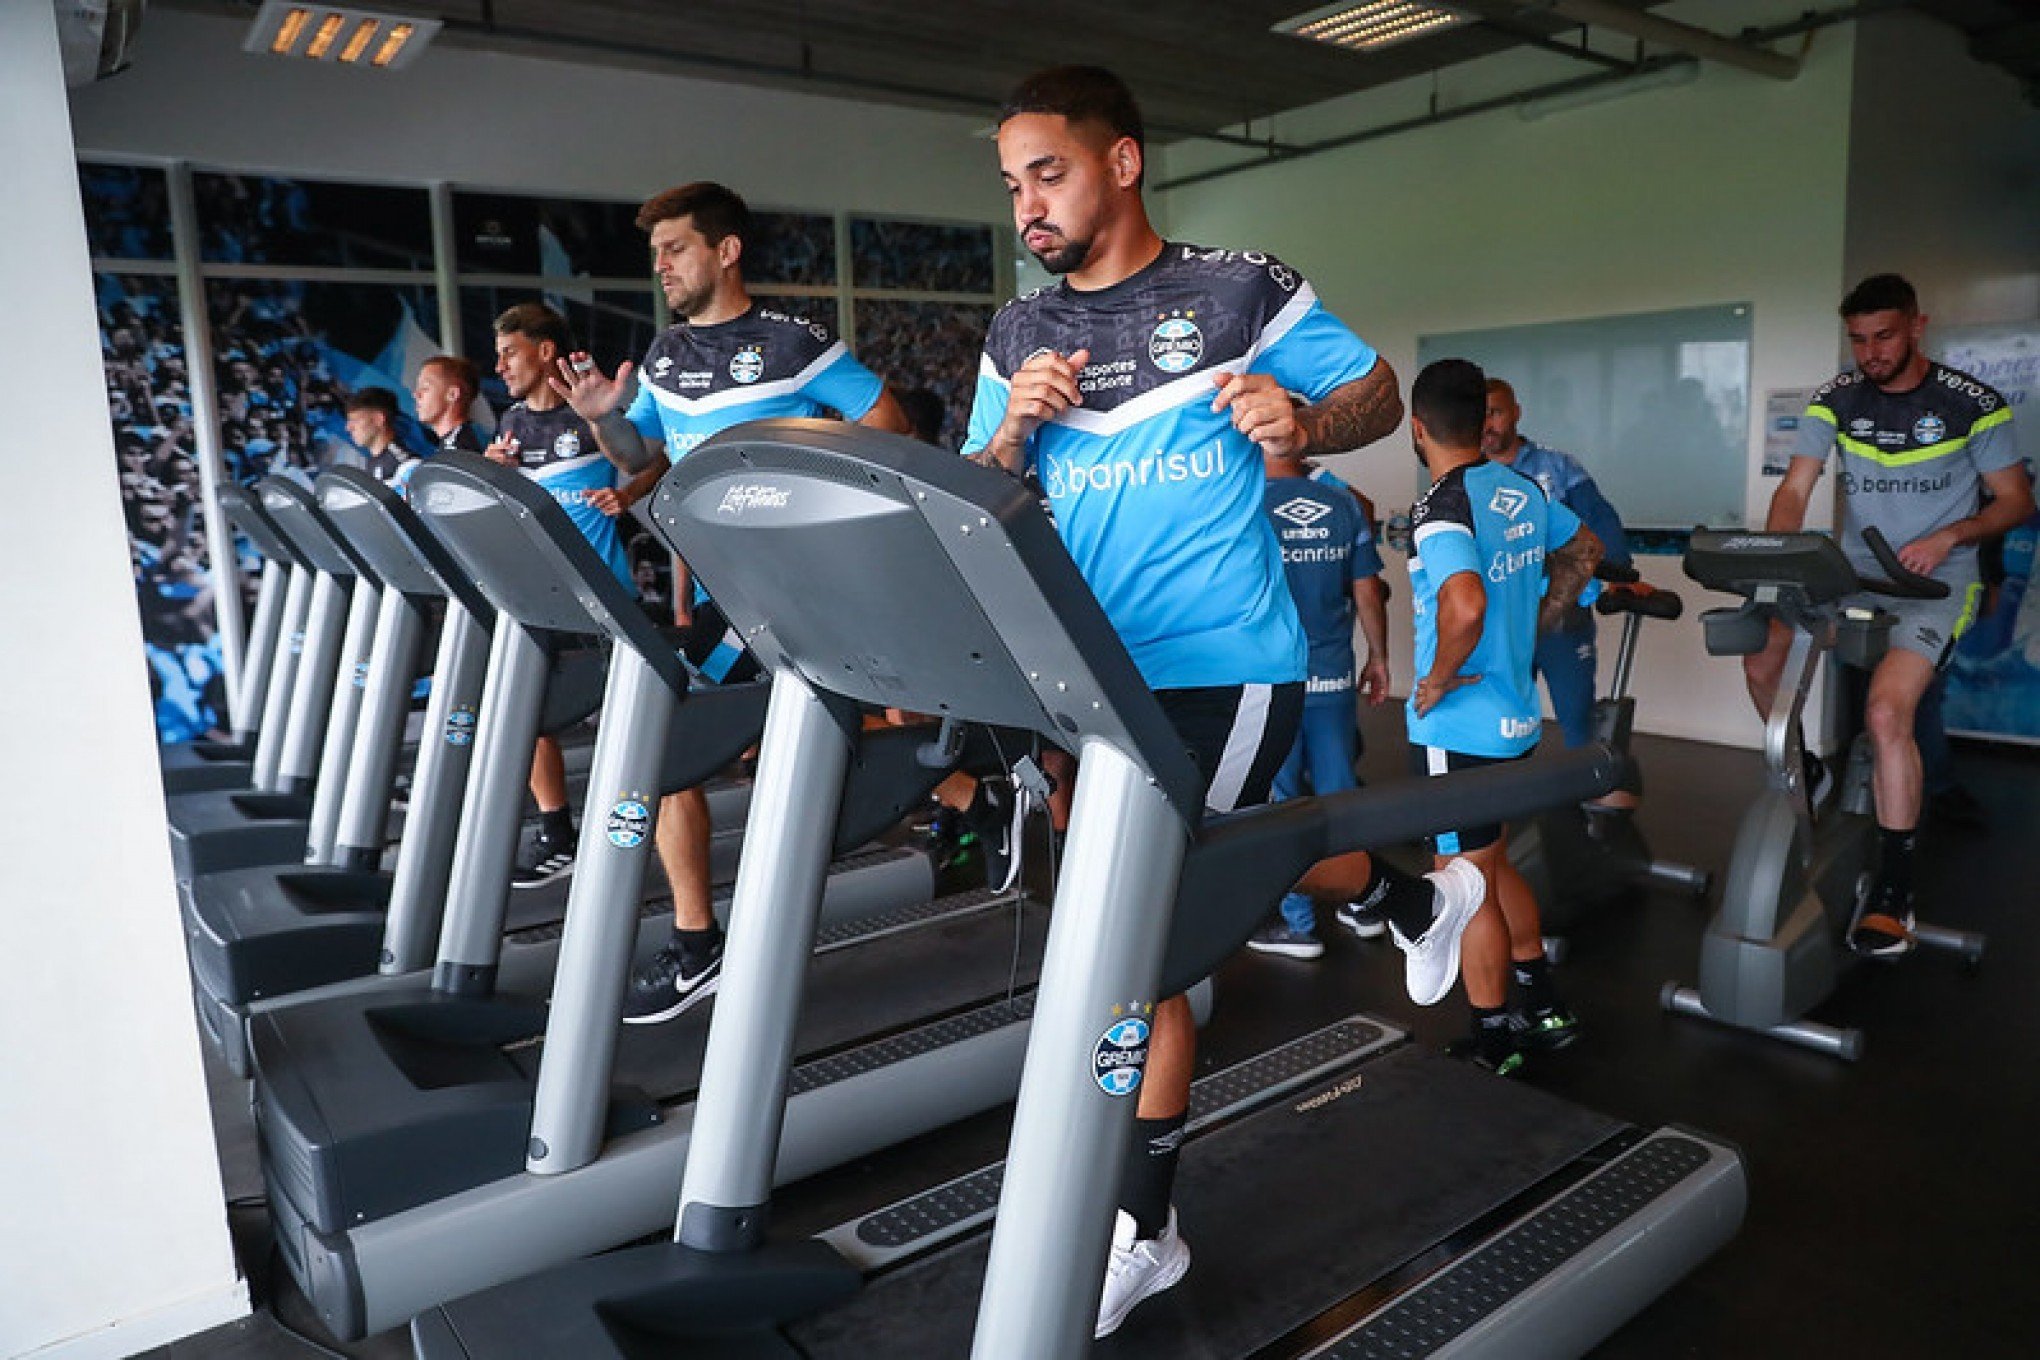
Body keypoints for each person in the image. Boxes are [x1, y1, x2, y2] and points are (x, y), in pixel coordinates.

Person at [961, 66, 1485, 1339]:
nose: (1029, 203)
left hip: (1221, 659)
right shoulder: (1018, 334)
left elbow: (1374, 394)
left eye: (1049, 172)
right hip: (1087, 669)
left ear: (1123, 162)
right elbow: (975, 485)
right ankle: (1415, 892)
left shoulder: (1239, 286)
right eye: (1013, 183)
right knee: (1178, 887)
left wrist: (1301, 408)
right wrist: (1010, 438)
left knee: (1135, 941)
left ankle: (1144, 1225)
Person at [549, 181, 909, 1024]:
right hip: (721, 591)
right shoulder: (665, 354)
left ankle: (698, 942)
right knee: (687, 746)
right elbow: (639, 451)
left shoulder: (794, 344)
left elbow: (891, 427)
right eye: (657, 255)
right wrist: (607, 422)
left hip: (797, 592)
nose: (663, 267)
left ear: (725, 250)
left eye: (675, 249)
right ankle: (975, 788)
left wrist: (806, 482)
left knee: (680, 742)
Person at [1748, 273, 2029, 957]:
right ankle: (1807, 771)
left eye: (1884, 336)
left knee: (1884, 714)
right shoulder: (1837, 399)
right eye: (1859, 339)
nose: (1871, 353)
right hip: (1855, 572)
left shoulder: (1972, 405)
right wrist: (1784, 552)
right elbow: (1796, 486)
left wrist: (1951, 535)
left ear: (1916, 326)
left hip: (1937, 580)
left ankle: (1896, 888)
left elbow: (2015, 501)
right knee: (1764, 653)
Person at [1406, 358, 1604, 1075]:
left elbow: (1464, 603)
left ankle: (1495, 1039)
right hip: (1515, 719)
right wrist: (1541, 622)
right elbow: (1587, 550)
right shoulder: (1520, 488)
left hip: (1457, 726)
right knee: (1491, 861)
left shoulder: (1441, 506)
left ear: (1418, 428)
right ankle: (1540, 1003)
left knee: (1463, 880)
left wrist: (1436, 679)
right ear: (1480, 421)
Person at [483, 302, 644, 888]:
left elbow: (650, 461)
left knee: (620, 729)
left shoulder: (590, 413)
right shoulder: (511, 426)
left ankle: (623, 834)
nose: (499, 365)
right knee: (528, 714)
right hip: (543, 596)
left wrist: (625, 498)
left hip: (605, 599)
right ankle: (559, 831)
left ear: (545, 351)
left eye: (510, 352)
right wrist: (491, 471)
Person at [1248, 450, 1392, 959]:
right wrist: (1378, 657)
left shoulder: (1243, 503)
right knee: (1341, 793)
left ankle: (1299, 924)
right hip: (1332, 675)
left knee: (1284, 804)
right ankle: (1363, 904)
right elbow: (1368, 593)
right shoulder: (1342, 503)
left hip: (1275, 681)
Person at [1481, 379, 1633, 757]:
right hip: (1501, 622)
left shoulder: (1557, 466)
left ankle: (1586, 799)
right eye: (1479, 415)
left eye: (1496, 412)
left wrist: (1618, 577)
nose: (1487, 424)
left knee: (1578, 719)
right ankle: (1501, 807)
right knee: (1502, 723)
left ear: (1515, 412)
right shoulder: (1468, 475)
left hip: (1563, 618)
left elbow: (1601, 520)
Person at [341, 386, 415, 485]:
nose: (348, 428)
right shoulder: (373, 462)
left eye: (355, 420)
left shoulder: (403, 462)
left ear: (378, 419)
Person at [412, 354, 485, 454]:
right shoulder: (453, 444)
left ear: (453, 394)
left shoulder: (461, 449)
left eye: (425, 387)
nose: (416, 394)